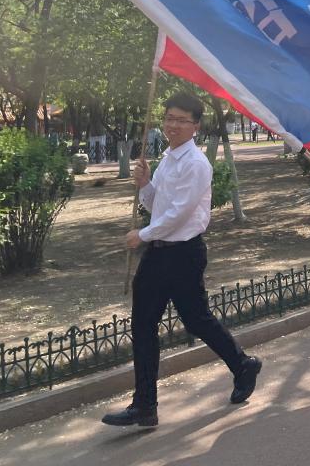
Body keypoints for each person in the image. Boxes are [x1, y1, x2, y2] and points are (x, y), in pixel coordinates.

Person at [102, 93, 262, 428]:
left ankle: (242, 364)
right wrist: (145, 184)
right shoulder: (168, 159)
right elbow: (157, 205)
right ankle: (145, 406)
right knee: (143, 324)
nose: (173, 125)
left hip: (183, 254)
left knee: (196, 320)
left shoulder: (196, 164)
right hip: (158, 253)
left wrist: (142, 234)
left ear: (196, 126)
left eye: (181, 120)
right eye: (169, 118)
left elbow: (178, 215)